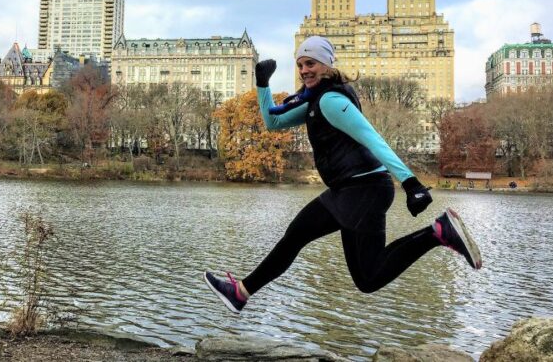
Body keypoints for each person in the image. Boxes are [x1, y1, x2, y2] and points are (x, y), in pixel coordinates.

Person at [203, 36, 482, 314]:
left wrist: (411, 183)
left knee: (318, 250)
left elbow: (372, 138)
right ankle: (240, 292)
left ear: (325, 65)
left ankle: (437, 233)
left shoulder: (331, 101)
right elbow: (273, 122)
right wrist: (262, 84)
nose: (304, 70)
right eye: (300, 65)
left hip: (364, 190)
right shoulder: (315, 101)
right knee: (356, 272)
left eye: (310, 63)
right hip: (348, 192)